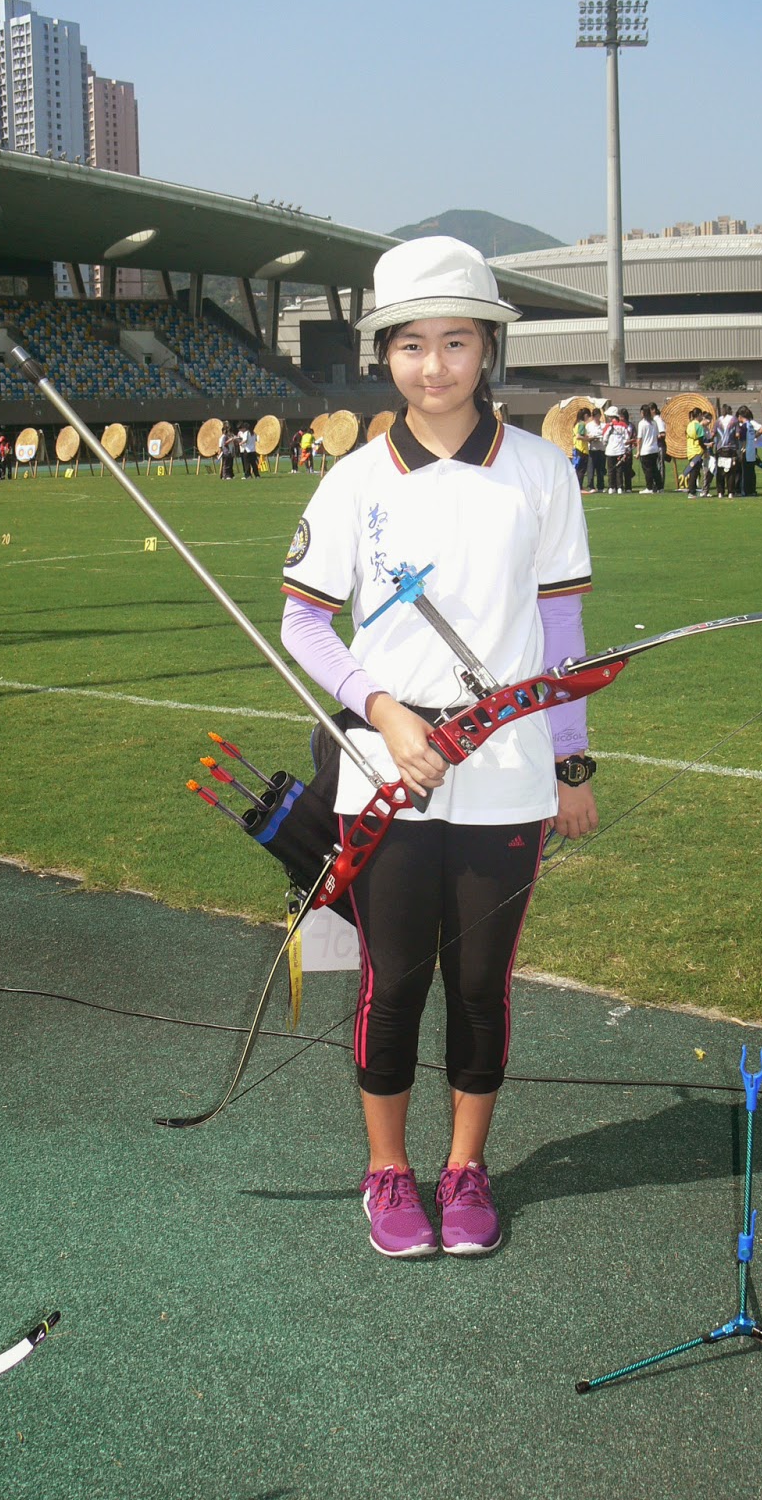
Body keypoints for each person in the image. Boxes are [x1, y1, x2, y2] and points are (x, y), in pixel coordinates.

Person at [278, 237, 597, 1260]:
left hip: (508, 769)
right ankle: (387, 1170)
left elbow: (562, 632)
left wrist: (571, 763)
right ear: (386, 355)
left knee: (481, 984)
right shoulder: (353, 481)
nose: (434, 365)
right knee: (395, 981)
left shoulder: (542, 470)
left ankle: (464, 1168)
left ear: (487, 347)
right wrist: (383, 708)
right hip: (388, 767)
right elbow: (304, 623)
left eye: (456, 341)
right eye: (411, 344)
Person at [684, 407, 709, 497]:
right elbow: (700, 441)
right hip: (697, 452)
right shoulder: (698, 426)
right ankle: (692, 492)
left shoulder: (690, 425)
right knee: (694, 473)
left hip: (690, 451)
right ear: (698, 415)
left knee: (693, 471)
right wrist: (705, 449)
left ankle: (691, 490)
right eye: (701, 415)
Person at [604, 405, 629, 494]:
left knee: (611, 470)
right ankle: (620, 488)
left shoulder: (608, 426)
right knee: (619, 470)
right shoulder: (623, 425)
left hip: (610, 451)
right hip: (620, 451)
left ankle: (611, 487)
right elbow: (627, 438)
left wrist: (606, 444)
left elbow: (604, 438)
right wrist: (625, 448)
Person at [585, 407, 606, 493]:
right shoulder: (589, 425)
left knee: (600, 469)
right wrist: (591, 438)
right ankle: (591, 486)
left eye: (598, 416)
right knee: (591, 468)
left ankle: (600, 486)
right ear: (593, 417)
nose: (597, 418)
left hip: (601, 448)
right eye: (595, 416)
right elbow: (586, 436)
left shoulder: (603, 425)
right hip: (592, 449)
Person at [571, 408, 590, 491]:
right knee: (581, 469)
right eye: (588, 416)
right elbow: (579, 436)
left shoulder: (576, 424)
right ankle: (579, 486)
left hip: (577, 448)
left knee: (577, 468)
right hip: (582, 449)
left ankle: (577, 486)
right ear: (585, 415)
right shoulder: (582, 424)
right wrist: (588, 438)